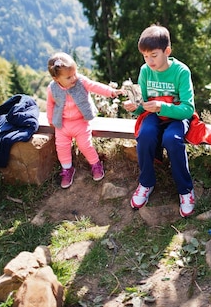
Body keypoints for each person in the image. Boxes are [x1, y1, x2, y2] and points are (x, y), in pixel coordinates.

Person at [123, 25, 198, 218]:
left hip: (176, 117)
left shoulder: (181, 72)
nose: (149, 61)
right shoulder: (145, 71)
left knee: (172, 139)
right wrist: (135, 106)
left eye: (154, 55)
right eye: (145, 56)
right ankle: (146, 182)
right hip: (153, 116)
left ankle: (185, 190)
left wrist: (162, 107)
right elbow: (143, 104)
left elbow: (188, 109)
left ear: (167, 51)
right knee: (145, 135)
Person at [46, 52, 123, 189]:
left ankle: (95, 164)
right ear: (56, 78)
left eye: (75, 74)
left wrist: (111, 92)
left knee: (85, 145)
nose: (74, 78)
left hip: (81, 121)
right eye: (69, 77)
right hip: (62, 124)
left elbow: (95, 86)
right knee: (62, 147)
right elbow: (50, 104)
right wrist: (50, 119)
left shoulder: (80, 81)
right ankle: (67, 169)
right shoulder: (52, 88)